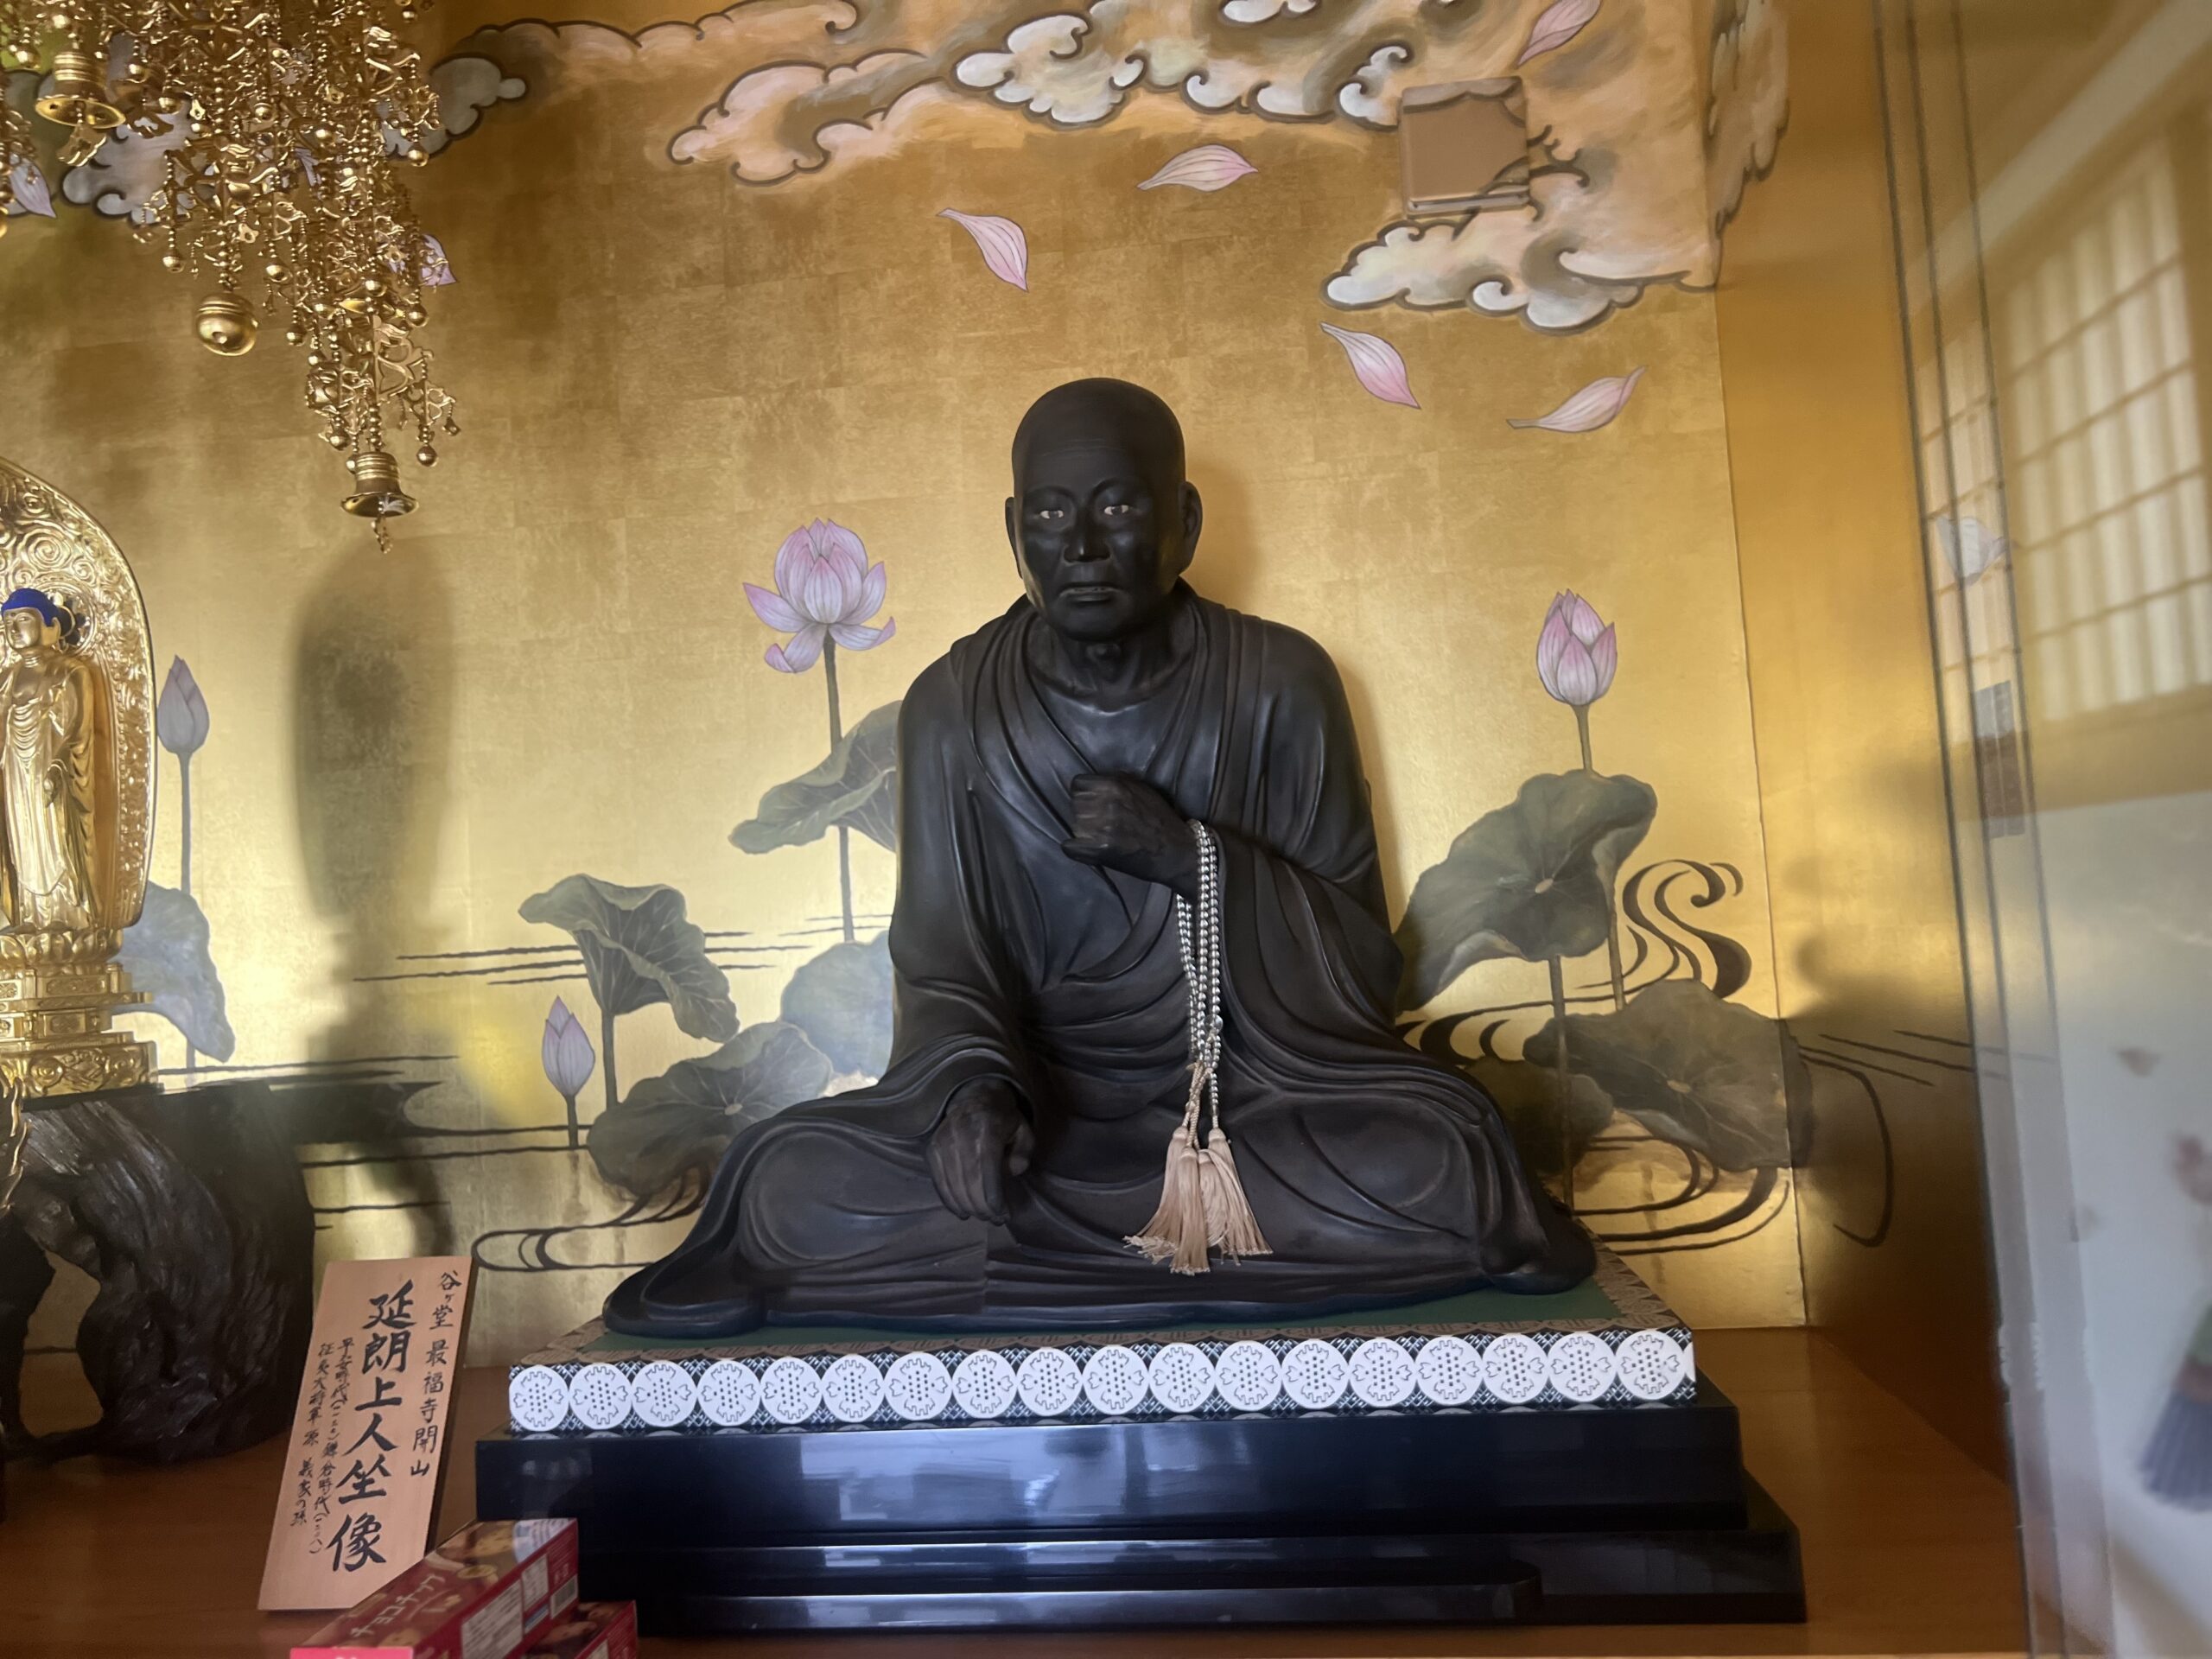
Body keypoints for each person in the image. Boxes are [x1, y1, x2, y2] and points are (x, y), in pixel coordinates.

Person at [605, 378, 1592, 1337]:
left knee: (1441, 1153)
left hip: (1245, 1109)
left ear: (1185, 523)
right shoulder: (952, 707)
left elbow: (1362, 965)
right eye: (1049, 513)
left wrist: (1192, 858)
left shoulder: (1279, 682)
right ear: (1014, 533)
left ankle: (1056, 1258)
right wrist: (971, 1092)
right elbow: (943, 963)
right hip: (1041, 1123)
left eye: (1118, 505)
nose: (1080, 545)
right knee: (785, 1180)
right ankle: (1124, 1237)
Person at [0, 588, 99, 935]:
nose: (14, 629)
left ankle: (64, 913)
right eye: (7, 623)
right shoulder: (6, 679)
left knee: (54, 836)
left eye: (23, 619)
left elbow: (78, 728)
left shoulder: (70, 672)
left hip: (53, 768)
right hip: (15, 771)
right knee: (22, 834)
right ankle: (29, 915)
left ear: (51, 627)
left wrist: (59, 765)